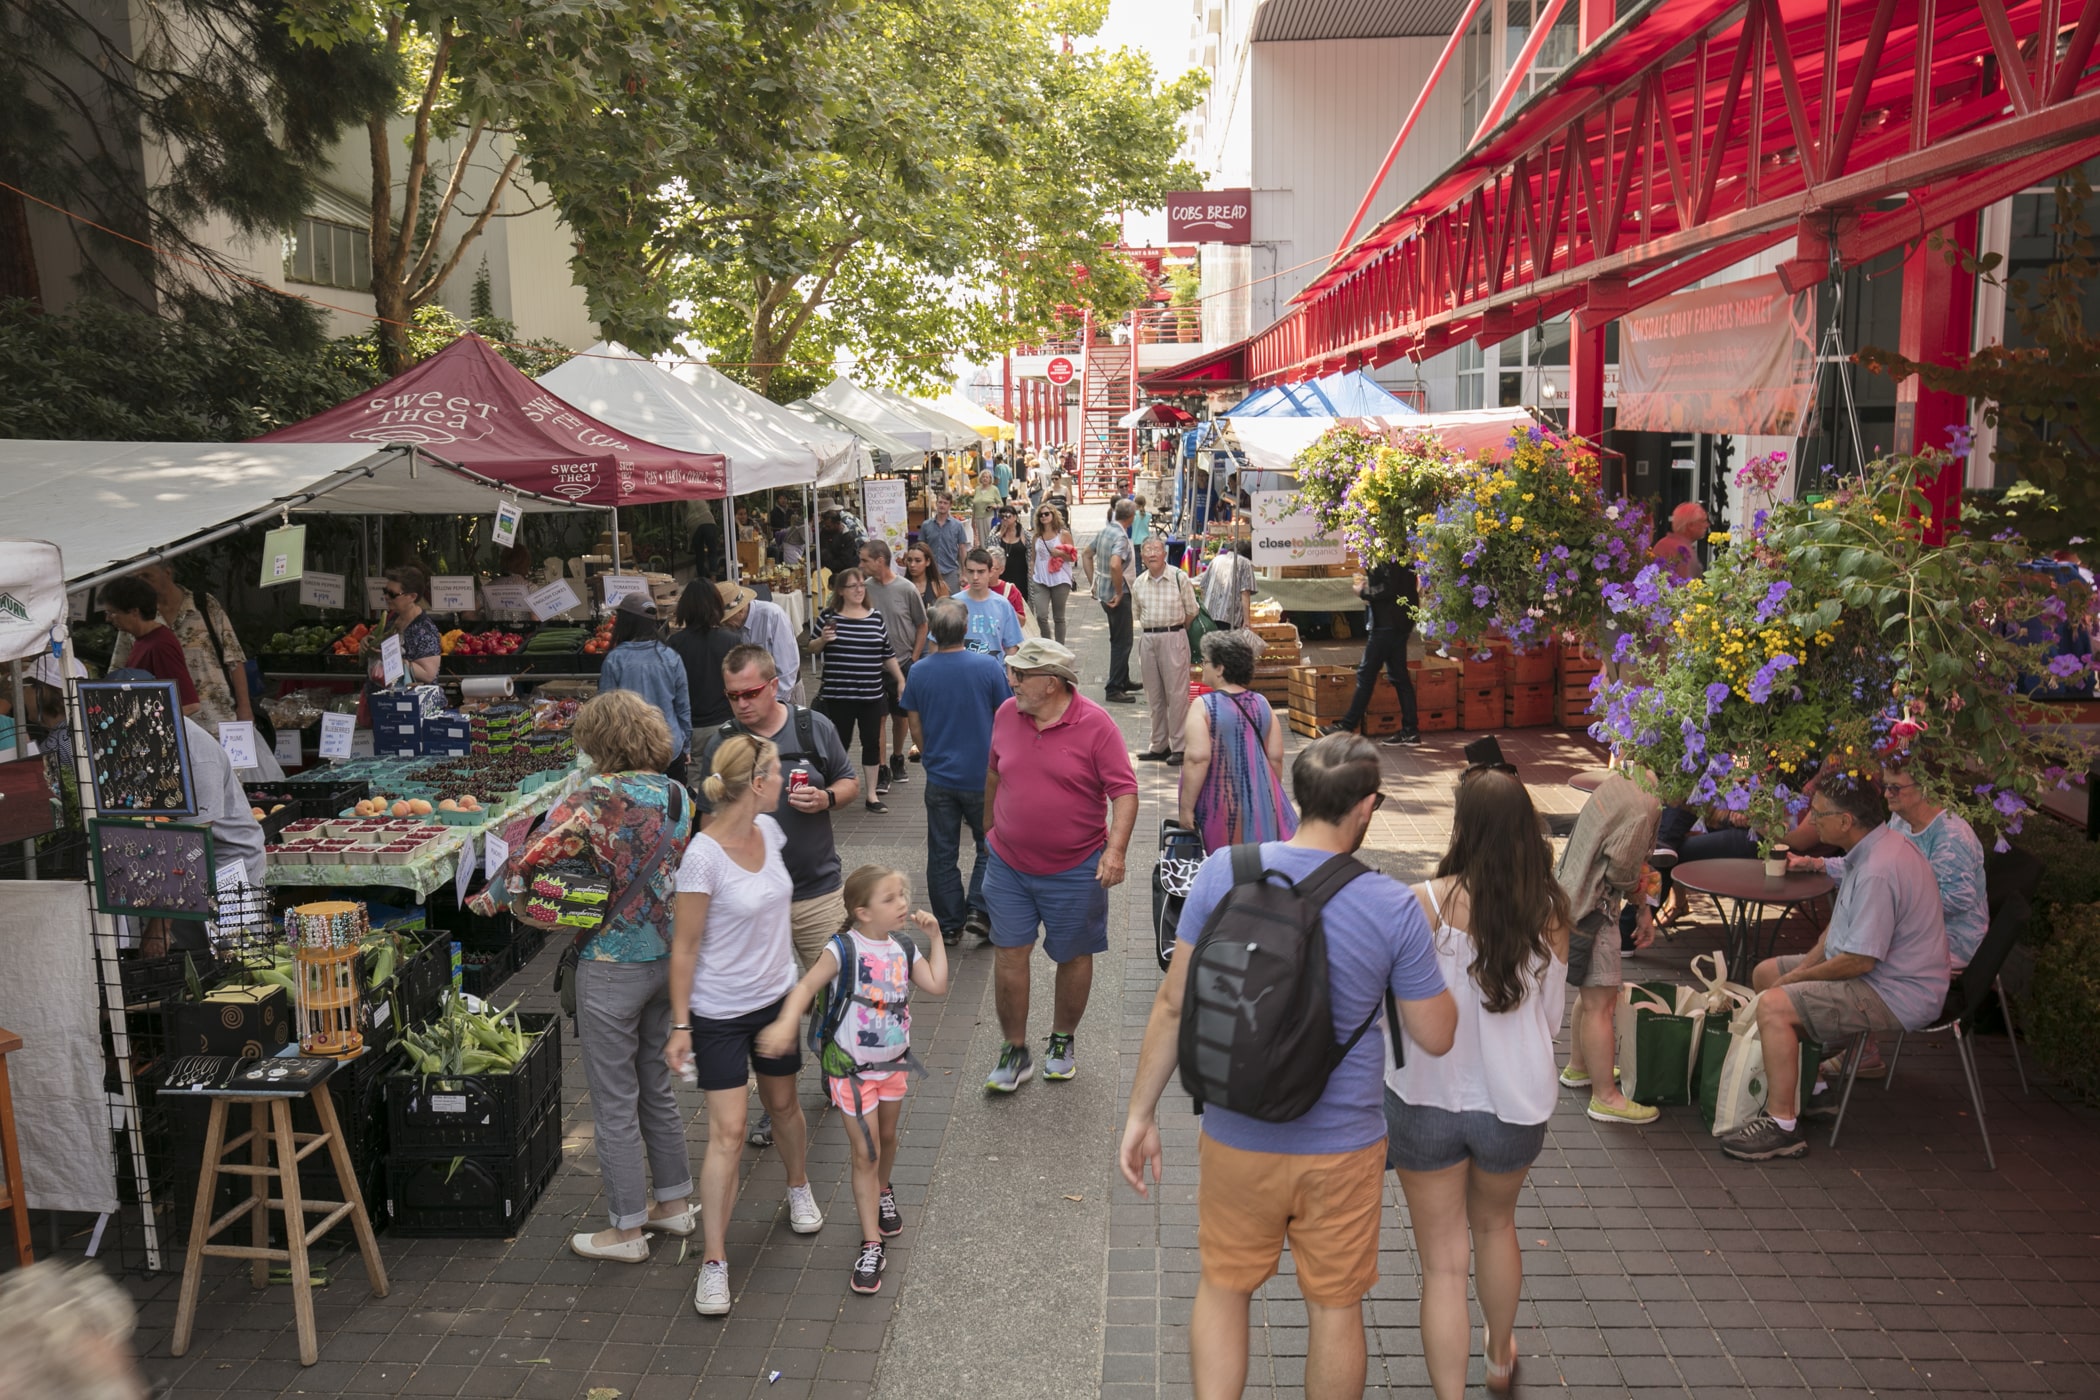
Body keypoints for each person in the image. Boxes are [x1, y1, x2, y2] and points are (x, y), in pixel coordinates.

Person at [1119, 734, 1458, 1400]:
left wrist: (1140, 1114)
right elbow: (1435, 1036)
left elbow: (1172, 1003)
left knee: (1223, 1287)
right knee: (1334, 1308)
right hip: (1344, 1149)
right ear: (1366, 808)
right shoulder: (1393, 905)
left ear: (1298, 794)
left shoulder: (1225, 871)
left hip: (1235, 1132)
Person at [477, 691, 695, 1263]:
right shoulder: (678, 793)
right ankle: (674, 1204)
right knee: (655, 1084)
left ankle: (625, 1231)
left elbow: (532, 857)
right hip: (667, 959)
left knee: (613, 1099)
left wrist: (493, 896)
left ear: (598, 743)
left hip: (610, 961)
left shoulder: (596, 796)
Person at [1387, 769, 1570, 1398]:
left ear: (1462, 826)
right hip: (1513, 1104)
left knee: (1441, 1263)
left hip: (1423, 1098)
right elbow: (1550, 1018)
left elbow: (1395, 1006)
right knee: (1496, 1226)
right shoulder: (1549, 912)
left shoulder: (1422, 903)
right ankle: (1498, 1355)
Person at [667, 735, 825, 1316]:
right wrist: (681, 1025)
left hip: (774, 999)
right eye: (778, 772)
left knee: (784, 1106)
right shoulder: (702, 856)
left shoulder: (774, 833)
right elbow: (683, 949)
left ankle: (798, 1185)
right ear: (755, 782)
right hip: (717, 1012)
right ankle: (713, 1261)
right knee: (728, 1133)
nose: (786, 781)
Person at [1722, 768, 1951, 1162]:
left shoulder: (1880, 868)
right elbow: (1838, 931)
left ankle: (1782, 1127)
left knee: (1776, 1004)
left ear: (1846, 822)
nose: (1811, 819)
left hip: (1897, 992)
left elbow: (1859, 961)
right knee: (1767, 975)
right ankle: (1813, 1089)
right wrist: (1793, 977)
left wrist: (1795, 983)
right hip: (1880, 974)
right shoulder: (1873, 849)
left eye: (1818, 813)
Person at [758, 866, 949, 1295]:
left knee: (887, 1138)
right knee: (865, 1151)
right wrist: (786, 1022)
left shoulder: (902, 946)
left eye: (902, 895)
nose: (902, 904)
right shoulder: (843, 949)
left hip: (895, 1065)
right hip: (852, 1071)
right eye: (890, 899)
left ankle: (884, 1189)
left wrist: (935, 937)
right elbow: (806, 987)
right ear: (862, 912)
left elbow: (936, 985)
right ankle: (871, 1242)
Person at [982, 637, 1139, 1090]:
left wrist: (1116, 851)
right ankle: (1014, 1050)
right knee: (1010, 954)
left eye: (1020, 675)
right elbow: (994, 771)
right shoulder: (1005, 714)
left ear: (1051, 684)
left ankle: (1061, 1039)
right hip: (1009, 864)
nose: (1010, 680)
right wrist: (989, 829)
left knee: (1072, 955)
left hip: (1076, 867)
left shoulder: (1096, 725)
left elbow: (1124, 791)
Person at [1795, 763, 1987, 965]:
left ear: (1925, 788)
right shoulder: (1900, 821)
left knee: (1854, 957)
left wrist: (1891, 899)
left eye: (1895, 788)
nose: (1886, 794)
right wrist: (1815, 864)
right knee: (1847, 948)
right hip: (1903, 934)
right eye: (1886, 786)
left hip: (1947, 945)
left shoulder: (1950, 836)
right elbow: (1869, 864)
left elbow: (1957, 900)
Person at [900, 601, 1010, 946]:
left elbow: (913, 722)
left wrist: (928, 751)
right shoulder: (989, 667)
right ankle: (979, 909)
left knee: (942, 851)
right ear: (965, 630)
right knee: (988, 844)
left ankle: (949, 924)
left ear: (933, 632)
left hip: (941, 776)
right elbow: (1005, 715)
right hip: (983, 776)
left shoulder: (919, 671)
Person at [1554, 772, 1662, 1124]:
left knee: (1590, 995)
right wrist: (1642, 902)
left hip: (1572, 897)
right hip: (1595, 909)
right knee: (1602, 1003)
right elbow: (1622, 873)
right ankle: (1606, 1097)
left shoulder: (1625, 780)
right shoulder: (1645, 807)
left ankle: (1579, 1067)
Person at [1180, 629, 1295, 852]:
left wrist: (1186, 808)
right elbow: (1275, 757)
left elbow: (1197, 759)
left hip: (1219, 805)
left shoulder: (1204, 706)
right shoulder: (1262, 703)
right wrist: (1266, 795)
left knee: (1223, 870)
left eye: (1205, 662)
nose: (1202, 667)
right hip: (1261, 805)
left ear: (1220, 668)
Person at [110, 563, 250, 737]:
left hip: (217, 721)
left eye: (147, 576)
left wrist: (245, 708)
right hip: (166, 729)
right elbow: (119, 669)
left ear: (167, 573)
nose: (141, 583)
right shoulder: (135, 617)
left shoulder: (204, 605)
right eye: (136, 578)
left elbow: (234, 657)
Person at [812, 568, 905, 815]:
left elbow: (887, 653)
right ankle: (835, 789)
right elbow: (811, 648)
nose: (859, 589)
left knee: (871, 743)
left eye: (861, 585)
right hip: (839, 694)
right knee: (839, 742)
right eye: (853, 586)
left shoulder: (874, 617)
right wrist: (822, 640)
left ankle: (872, 794)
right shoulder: (829, 617)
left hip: (871, 694)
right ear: (840, 591)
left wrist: (900, 679)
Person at [1322, 559, 1421, 746]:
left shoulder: (1386, 550)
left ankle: (1347, 726)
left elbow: (1388, 587)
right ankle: (1410, 730)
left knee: (1366, 674)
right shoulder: (1398, 549)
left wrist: (1363, 591)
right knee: (1398, 675)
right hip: (1399, 620)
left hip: (1388, 622)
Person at [598, 593, 693, 784]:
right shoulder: (671, 657)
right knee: (673, 806)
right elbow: (683, 707)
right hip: (669, 747)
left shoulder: (615, 660)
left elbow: (605, 712)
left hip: (629, 753)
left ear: (624, 622)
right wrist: (686, 746)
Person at [858, 540, 929, 791]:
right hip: (872, 666)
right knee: (878, 718)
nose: (861, 565)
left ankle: (897, 757)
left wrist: (915, 658)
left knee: (902, 717)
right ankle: (881, 768)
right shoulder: (863, 589)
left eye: (865, 560)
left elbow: (922, 624)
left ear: (880, 560)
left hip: (902, 663)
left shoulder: (906, 588)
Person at [1132, 538, 1198, 765]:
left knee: (1177, 695)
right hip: (1148, 638)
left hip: (1174, 636)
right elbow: (1137, 613)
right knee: (1154, 695)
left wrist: (1177, 631)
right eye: (1147, 550)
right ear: (1142, 556)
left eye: (1156, 549)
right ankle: (1159, 745)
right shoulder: (1139, 582)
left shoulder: (1179, 578)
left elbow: (1192, 611)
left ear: (1164, 553)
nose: (1151, 553)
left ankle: (1179, 746)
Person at [100, 576, 199, 715]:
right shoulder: (143, 640)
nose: (108, 618)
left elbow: (189, 704)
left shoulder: (160, 645)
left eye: (112, 612)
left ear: (134, 611)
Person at [363, 565, 444, 713]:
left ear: (412, 597)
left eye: (393, 594)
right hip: (386, 705)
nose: (386, 597)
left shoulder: (424, 629)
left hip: (410, 710)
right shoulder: (392, 618)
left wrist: (391, 659)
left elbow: (428, 674)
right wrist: (367, 642)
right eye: (385, 591)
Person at [668, 578, 741, 730]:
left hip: (688, 725)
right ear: (717, 605)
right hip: (724, 724)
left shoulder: (675, 643)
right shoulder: (732, 640)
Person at [717, 580, 804, 705]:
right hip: (754, 696)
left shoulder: (773, 615)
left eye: (727, 618)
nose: (724, 624)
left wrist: (774, 703)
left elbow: (787, 668)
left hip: (784, 695)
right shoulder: (732, 627)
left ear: (740, 611)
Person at [1086, 498, 1138, 703]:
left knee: (1120, 638)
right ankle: (1114, 687)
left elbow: (1087, 553)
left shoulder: (1106, 531)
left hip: (1104, 592)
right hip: (1118, 595)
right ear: (1131, 517)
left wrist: (1094, 584)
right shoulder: (1121, 537)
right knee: (1122, 641)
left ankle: (1123, 679)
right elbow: (1116, 565)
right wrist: (1118, 592)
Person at [956, 549, 1023, 659]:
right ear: (965, 571)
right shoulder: (954, 604)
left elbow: (1011, 647)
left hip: (995, 670)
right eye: (971, 571)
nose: (975, 577)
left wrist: (1010, 675)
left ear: (990, 572)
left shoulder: (1003, 605)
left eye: (981, 571)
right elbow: (938, 643)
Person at [1028, 504, 1079, 643]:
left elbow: (1073, 557)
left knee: (1059, 617)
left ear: (1053, 515)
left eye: (1047, 514)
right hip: (1040, 579)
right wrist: (1031, 576)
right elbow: (1032, 559)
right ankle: (1048, 644)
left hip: (1060, 579)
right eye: (1041, 515)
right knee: (1041, 616)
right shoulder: (1036, 537)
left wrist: (1061, 554)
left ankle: (1060, 647)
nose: (1043, 517)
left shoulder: (1063, 534)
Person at [1199, 540, 1257, 632]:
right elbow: (1245, 592)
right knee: (1226, 644)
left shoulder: (1216, 559)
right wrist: (1247, 620)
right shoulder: (1245, 563)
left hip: (1208, 614)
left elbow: (1203, 587)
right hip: (1229, 616)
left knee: (1212, 644)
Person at [920, 494, 972, 595]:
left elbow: (962, 550)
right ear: (936, 504)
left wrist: (964, 573)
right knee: (933, 604)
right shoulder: (926, 525)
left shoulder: (957, 526)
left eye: (945, 503)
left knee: (953, 603)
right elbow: (921, 549)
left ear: (950, 505)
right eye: (940, 502)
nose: (942, 505)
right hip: (931, 572)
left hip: (951, 571)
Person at [1651, 501, 1711, 582]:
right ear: (1690, 526)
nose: (1707, 525)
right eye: (1703, 521)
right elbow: (1685, 589)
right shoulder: (1682, 550)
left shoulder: (1663, 543)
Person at [983, 546, 1028, 623]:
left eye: (991, 568)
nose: (987, 572)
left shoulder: (1011, 590)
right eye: (984, 568)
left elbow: (1022, 622)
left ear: (1001, 570)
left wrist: (1006, 608)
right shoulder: (973, 588)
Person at [994, 507, 1030, 596]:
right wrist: (1000, 534)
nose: (1005, 519)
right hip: (1001, 574)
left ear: (1015, 517)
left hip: (1020, 575)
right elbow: (989, 546)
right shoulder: (996, 530)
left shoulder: (1024, 533)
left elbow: (1031, 554)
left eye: (1008, 516)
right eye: (1002, 516)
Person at [901, 545, 947, 611]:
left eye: (918, 561)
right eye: (909, 560)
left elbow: (945, 615)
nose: (912, 565)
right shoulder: (901, 586)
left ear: (928, 562)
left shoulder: (938, 586)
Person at [970, 469, 1001, 547]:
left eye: (987, 477)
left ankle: (992, 555)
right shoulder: (977, 489)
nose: (985, 479)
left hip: (989, 517)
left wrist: (995, 506)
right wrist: (972, 519)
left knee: (990, 538)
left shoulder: (994, 489)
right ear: (980, 478)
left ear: (990, 479)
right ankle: (984, 556)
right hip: (978, 517)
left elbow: (1001, 504)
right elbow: (974, 505)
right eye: (983, 477)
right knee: (981, 540)